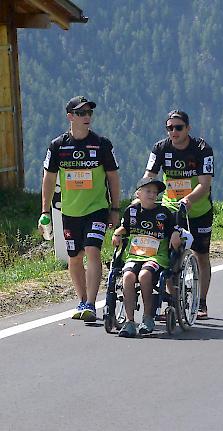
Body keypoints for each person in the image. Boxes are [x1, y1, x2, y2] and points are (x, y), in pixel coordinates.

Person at [40, 96, 120, 322]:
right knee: (74, 258)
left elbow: (113, 177)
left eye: (89, 113)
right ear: (70, 117)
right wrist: (45, 211)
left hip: (97, 209)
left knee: (92, 250)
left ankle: (92, 304)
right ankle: (83, 300)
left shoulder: (102, 144)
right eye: (81, 113)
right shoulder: (57, 146)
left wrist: (115, 208)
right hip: (71, 212)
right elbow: (48, 178)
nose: (87, 117)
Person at [144, 110, 214, 319]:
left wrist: (189, 200)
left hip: (199, 209)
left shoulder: (202, 149)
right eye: (169, 128)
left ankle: (201, 302)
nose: (173, 132)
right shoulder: (160, 148)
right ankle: (173, 301)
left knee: (202, 254)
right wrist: (144, 195)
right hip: (170, 209)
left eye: (178, 127)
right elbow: (150, 175)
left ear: (188, 128)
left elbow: (205, 183)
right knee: (167, 253)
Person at [111, 178, 182, 337]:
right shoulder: (132, 211)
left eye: (154, 192)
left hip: (156, 256)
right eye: (148, 191)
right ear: (138, 193)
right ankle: (129, 321)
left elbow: (175, 228)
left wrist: (176, 234)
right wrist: (117, 233)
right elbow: (125, 227)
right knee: (128, 276)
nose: (152, 195)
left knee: (144, 275)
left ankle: (147, 317)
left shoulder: (163, 213)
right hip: (135, 254)